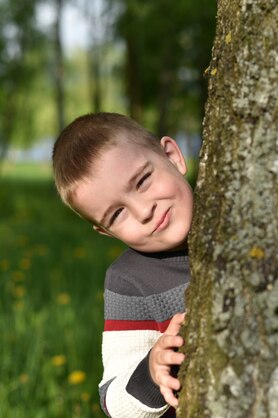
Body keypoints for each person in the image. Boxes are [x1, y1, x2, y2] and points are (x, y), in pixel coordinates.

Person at [52, 112, 193, 418]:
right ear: (106, 232)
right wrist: (151, 372)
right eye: (117, 215)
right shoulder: (129, 281)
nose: (144, 211)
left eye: (143, 181)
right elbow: (113, 402)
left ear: (172, 156)